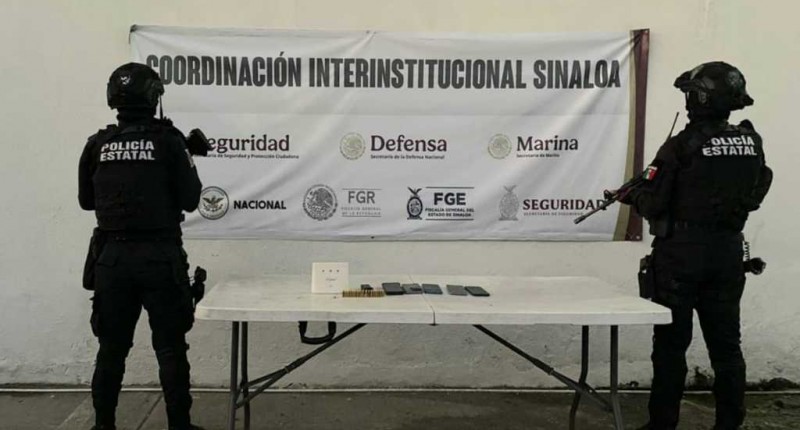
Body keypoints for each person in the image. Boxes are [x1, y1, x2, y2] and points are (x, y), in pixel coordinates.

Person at [620, 62, 772, 430]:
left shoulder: (681, 146)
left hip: (680, 257)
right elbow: (760, 186)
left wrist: (632, 196)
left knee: (671, 347)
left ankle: (662, 425)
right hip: (728, 253)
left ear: (702, 98)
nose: (687, 101)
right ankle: (729, 424)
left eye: (691, 94)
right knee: (727, 348)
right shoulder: (750, 141)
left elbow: (654, 204)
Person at [78, 62, 204, 430]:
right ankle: (179, 426)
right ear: (153, 96)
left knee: (111, 350)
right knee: (170, 348)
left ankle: (103, 426)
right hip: (159, 258)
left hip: (111, 260)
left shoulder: (97, 144)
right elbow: (191, 200)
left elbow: (86, 201)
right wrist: (188, 157)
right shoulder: (169, 141)